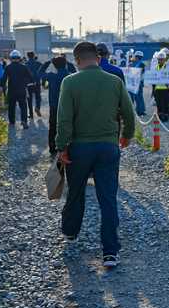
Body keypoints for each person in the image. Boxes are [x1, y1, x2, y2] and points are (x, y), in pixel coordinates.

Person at [56, 41, 135, 269]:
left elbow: (64, 119)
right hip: (108, 147)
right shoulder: (114, 81)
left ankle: (71, 232)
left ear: (77, 60)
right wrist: (126, 137)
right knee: (108, 198)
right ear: (98, 58)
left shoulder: (70, 82)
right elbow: (128, 114)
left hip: (79, 149)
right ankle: (110, 252)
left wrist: (62, 147)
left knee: (76, 192)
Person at [40, 49, 76, 153]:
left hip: (54, 105)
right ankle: (68, 147)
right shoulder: (71, 76)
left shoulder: (51, 76)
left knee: (53, 127)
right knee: (69, 126)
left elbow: (39, 74)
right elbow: (76, 73)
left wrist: (48, 62)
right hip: (69, 106)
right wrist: (67, 62)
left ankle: (52, 147)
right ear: (65, 64)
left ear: (54, 65)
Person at [3, 49, 34, 128]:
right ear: (19, 58)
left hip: (11, 90)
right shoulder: (24, 67)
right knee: (23, 106)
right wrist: (26, 83)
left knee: (11, 107)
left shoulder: (8, 67)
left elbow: (4, 79)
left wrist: (1, 87)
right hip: (21, 90)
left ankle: (12, 121)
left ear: (11, 58)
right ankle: (24, 121)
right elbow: (30, 78)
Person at [152, 49, 169, 123]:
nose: (160, 61)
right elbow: (152, 79)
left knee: (166, 102)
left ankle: (166, 115)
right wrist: (153, 89)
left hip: (166, 89)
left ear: (164, 60)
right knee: (159, 103)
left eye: (162, 59)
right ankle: (160, 115)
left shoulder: (168, 68)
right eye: (159, 59)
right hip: (158, 89)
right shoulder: (155, 68)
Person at [25, 50, 43, 119]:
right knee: (38, 97)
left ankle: (31, 114)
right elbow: (42, 71)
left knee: (29, 99)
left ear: (28, 56)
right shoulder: (38, 63)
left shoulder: (26, 64)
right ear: (33, 56)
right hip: (37, 82)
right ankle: (37, 107)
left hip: (29, 84)